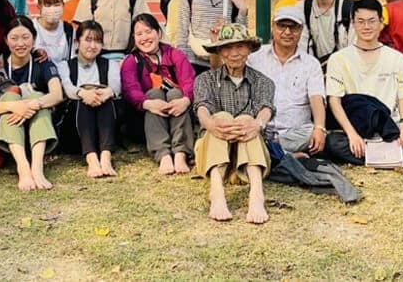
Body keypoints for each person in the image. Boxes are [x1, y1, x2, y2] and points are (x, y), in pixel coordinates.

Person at [325, 0, 403, 165]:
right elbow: (334, 100)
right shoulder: (338, 59)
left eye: (372, 21)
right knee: (332, 142)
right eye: (360, 21)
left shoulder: (396, 58)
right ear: (353, 23)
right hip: (358, 127)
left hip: (391, 126)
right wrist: (351, 133)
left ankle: (375, 156)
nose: (366, 27)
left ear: (381, 22)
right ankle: (394, 156)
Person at [193, 23, 275, 223]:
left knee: (247, 120)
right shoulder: (205, 80)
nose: (234, 53)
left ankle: (256, 193)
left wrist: (257, 124)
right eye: (228, 48)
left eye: (240, 47)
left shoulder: (263, 82)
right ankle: (216, 191)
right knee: (221, 117)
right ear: (220, 51)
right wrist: (211, 124)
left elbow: (266, 109)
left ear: (249, 49)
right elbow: (201, 108)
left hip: (248, 163)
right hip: (213, 158)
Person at [0, 17, 64, 191]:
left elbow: (57, 95)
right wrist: (15, 106)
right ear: (5, 40)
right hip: (10, 134)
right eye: (14, 38)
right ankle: (23, 167)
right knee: (10, 98)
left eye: (26, 37)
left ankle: (37, 166)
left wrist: (33, 104)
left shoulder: (42, 62)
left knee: (38, 97)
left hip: (38, 125)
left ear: (34, 39)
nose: (20, 43)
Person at [121, 13, 196, 175]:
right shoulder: (131, 61)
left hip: (177, 114)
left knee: (176, 93)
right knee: (154, 93)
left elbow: (189, 80)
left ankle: (180, 153)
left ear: (158, 33)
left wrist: (185, 100)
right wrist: (148, 104)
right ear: (133, 38)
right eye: (139, 34)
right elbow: (130, 89)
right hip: (145, 119)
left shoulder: (174, 54)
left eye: (148, 31)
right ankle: (163, 155)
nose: (144, 38)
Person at [248, 4, 326, 158]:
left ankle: (271, 153)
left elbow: (317, 98)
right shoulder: (255, 57)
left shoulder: (310, 63)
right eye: (281, 26)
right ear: (273, 27)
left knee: (312, 134)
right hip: (260, 127)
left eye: (294, 27)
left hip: (295, 132)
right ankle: (285, 155)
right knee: (246, 132)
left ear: (301, 30)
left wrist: (320, 128)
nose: (287, 32)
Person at [55, 20, 121, 177]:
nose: (92, 46)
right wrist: (84, 94)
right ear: (78, 42)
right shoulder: (65, 66)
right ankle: (92, 160)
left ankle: (105, 158)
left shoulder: (110, 64)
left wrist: (106, 93)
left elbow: (116, 87)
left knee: (106, 100)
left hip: (104, 126)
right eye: (88, 40)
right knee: (82, 101)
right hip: (75, 130)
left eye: (97, 41)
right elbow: (68, 88)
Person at [296, 0, 352, 70]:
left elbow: (354, 49)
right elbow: (300, 46)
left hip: (343, 70)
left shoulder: (348, 9)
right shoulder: (301, 8)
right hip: (312, 71)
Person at [33, 0, 75, 67]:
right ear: (39, 7)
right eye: (48, 5)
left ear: (63, 5)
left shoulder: (69, 29)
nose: (52, 9)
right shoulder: (31, 28)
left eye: (56, 5)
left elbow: (72, 57)